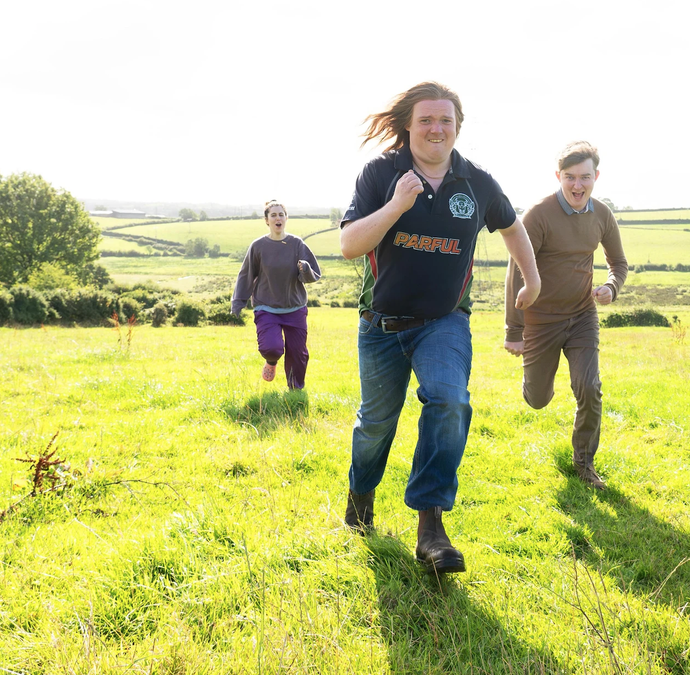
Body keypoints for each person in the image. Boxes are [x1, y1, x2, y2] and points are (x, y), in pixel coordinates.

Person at [338, 82, 541, 574]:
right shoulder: (382, 174)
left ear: (457, 128)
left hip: (445, 322)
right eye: (426, 120)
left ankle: (431, 526)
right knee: (375, 426)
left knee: (450, 400)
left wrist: (532, 278)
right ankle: (360, 495)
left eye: (445, 121)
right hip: (381, 324)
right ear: (408, 125)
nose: (436, 128)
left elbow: (512, 226)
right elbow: (348, 244)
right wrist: (395, 207)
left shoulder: (477, 183)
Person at [503, 141, 627, 490]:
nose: (577, 186)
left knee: (589, 387)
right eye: (570, 177)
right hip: (540, 320)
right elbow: (515, 271)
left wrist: (611, 287)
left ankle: (584, 463)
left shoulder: (601, 214)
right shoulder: (539, 215)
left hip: (581, 314)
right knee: (539, 400)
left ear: (596, 177)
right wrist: (514, 330)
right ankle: (534, 381)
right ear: (558, 176)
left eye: (584, 177)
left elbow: (618, 263)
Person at [230, 201, 321, 388]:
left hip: (295, 307)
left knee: (298, 353)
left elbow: (313, 276)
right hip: (266, 306)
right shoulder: (258, 246)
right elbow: (246, 274)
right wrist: (238, 302)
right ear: (266, 220)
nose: (277, 218)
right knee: (271, 347)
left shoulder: (297, 244)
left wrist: (305, 269)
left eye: (281, 214)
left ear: (286, 218)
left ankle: (295, 390)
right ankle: (271, 361)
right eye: (273, 215)